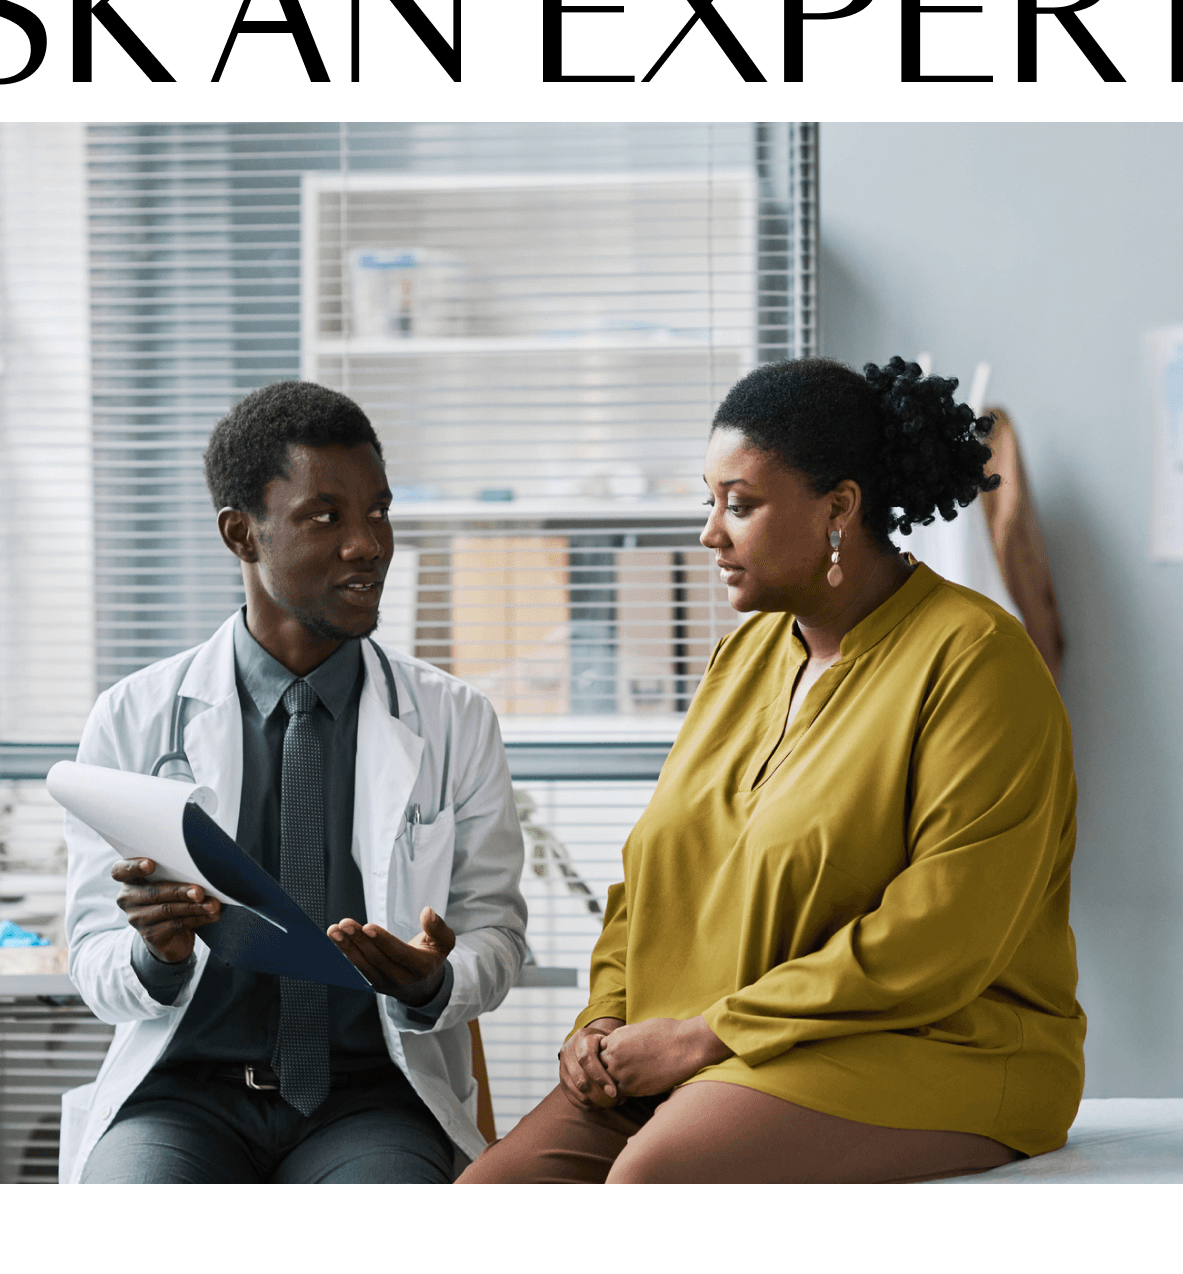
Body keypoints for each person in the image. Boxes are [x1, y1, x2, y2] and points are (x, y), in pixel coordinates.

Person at [460, 356, 1083, 1184]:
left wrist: (702, 1035)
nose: (710, 532)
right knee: (487, 1193)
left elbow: (940, 936)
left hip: (933, 1043)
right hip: (703, 1041)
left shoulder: (977, 662)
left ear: (840, 509)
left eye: (740, 505)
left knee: (654, 1176)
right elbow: (648, 878)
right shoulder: (743, 658)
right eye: (708, 501)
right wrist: (604, 1018)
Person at [59, 381, 527, 1183]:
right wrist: (154, 958)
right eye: (327, 516)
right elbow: (92, 954)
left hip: (369, 1101)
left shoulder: (455, 718)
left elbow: (498, 934)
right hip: (181, 1099)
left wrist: (434, 979)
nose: (369, 544)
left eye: (378, 511)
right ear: (242, 533)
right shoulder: (132, 717)